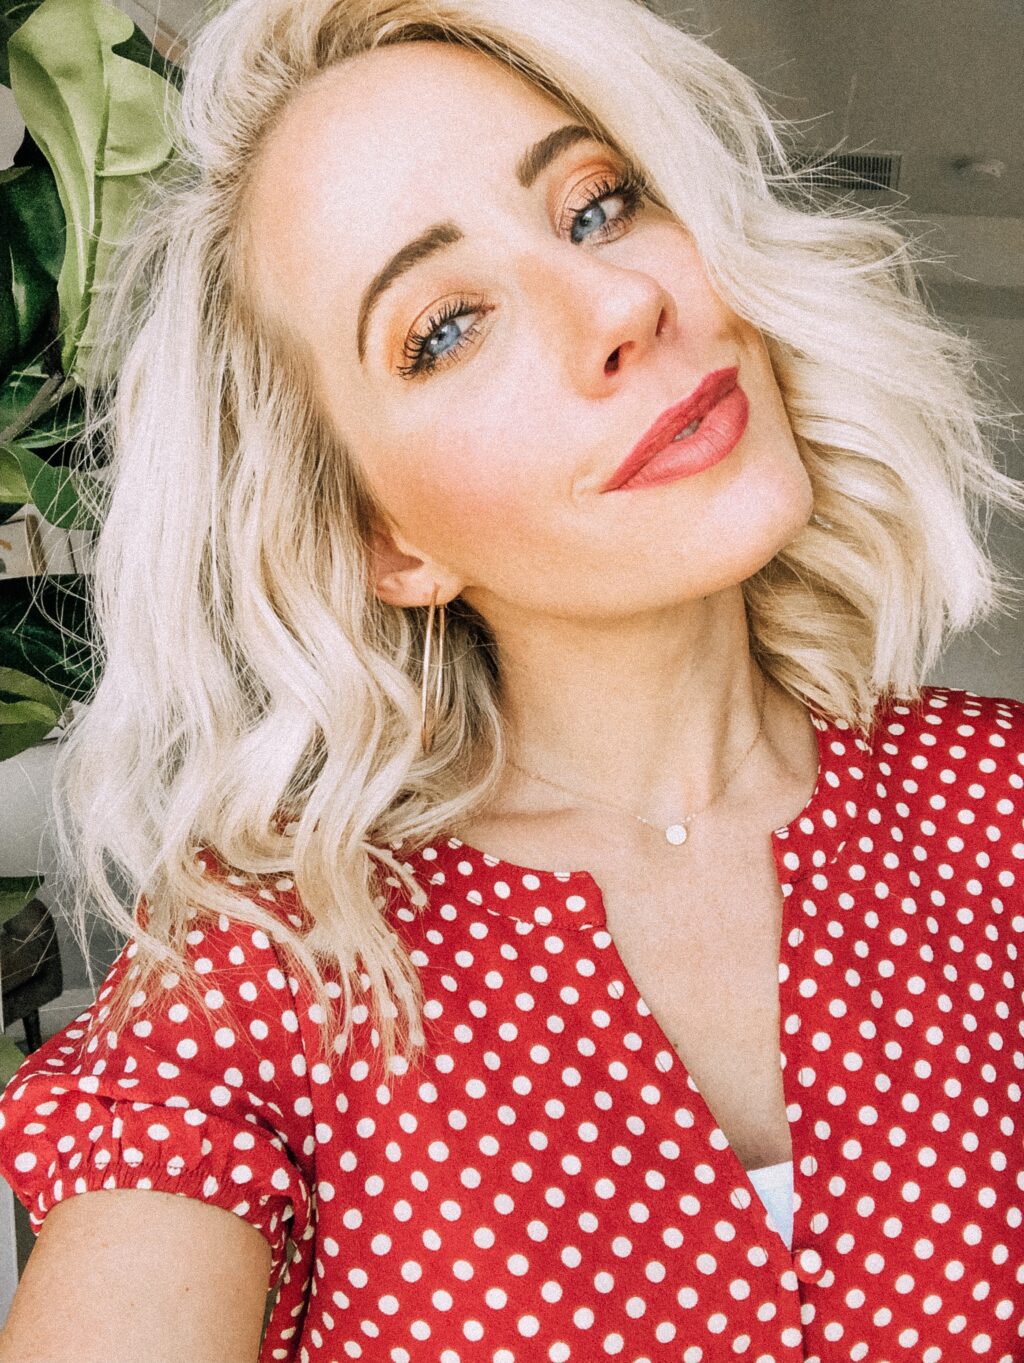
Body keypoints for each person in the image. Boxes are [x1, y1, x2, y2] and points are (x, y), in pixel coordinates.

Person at [0, 0, 1022, 1359]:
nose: (622, 302)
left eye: (599, 207)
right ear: (387, 538)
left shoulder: (1001, 809)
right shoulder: (275, 965)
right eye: (445, 328)